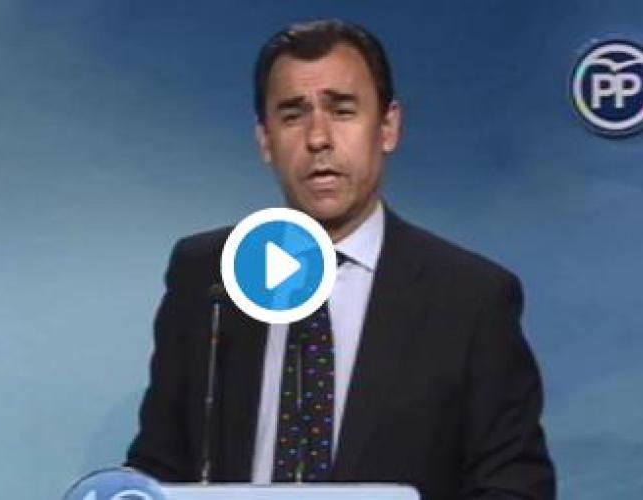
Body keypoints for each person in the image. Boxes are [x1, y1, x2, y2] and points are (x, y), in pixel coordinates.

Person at [126, 19, 555, 499]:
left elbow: (514, 486)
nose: (318, 138)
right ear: (265, 140)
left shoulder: (470, 299)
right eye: (292, 115)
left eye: (343, 110)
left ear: (388, 127)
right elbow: (159, 466)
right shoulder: (207, 275)